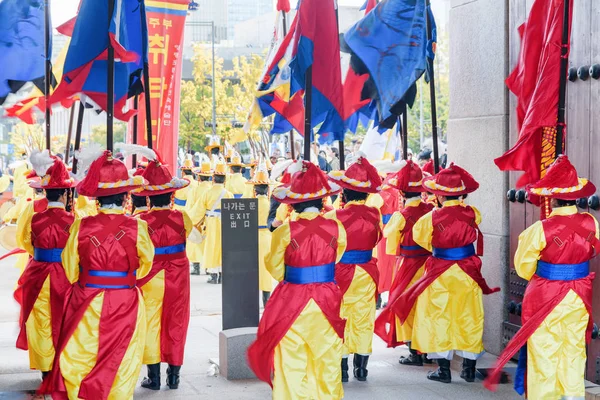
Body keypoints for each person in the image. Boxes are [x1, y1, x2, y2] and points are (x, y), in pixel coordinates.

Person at [40, 149, 154, 399]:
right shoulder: (139, 226)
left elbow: (70, 266)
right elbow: (146, 264)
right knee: (123, 360)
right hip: (126, 301)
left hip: (86, 300)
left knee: (81, 354)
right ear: (126, 196)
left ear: (96, 200)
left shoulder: (80, 225)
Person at [485, 155, 598, 399]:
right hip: (579, 295)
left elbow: (523, 267)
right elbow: (594, 249)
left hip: (546, 295)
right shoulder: (591, 222)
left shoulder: (540, 229)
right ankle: (572, 395)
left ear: (552, 197)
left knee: (544, 350)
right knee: (574, 348)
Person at [247, 161, 346, 399]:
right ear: (323, 200)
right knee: (326, 355)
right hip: (327, 296)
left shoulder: (284, 231)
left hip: (292, 298)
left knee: (291, 357)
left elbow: (274, 265)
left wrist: (294, 277)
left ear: (293, 202)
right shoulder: (336, 227)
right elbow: (337, 256)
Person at [393, 163, 499, 384]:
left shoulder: (429, 218)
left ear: (440, 197)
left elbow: (422, 239)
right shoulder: (473, 213)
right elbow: (475, 225)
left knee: (439, 315)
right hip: (467, 270)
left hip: (440, 271)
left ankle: (443, 370)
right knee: (469, 315)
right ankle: (469, 368)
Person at [14, 152, 75, 376]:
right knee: (65, 317)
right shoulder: (74, 217)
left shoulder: (32, 209)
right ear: (66, 193)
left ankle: (45, 369)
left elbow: (22, 239)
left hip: (38, 270)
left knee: (40, 320)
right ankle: (61, 365)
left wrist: (40, 254)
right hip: (66, 274)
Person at [134, 153, 192, 391]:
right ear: (172, 195)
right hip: (178, 276)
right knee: (177, 321)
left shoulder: (140, 221)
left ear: (148, 198)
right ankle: (174, 377)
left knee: (151, 323)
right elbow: (187, 235)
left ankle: (154, 377)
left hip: (151, 277)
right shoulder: (182, 216)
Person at [327, 157, 382, 382]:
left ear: (344, 194)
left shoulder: (333, 216)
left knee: (340, 317)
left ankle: (342, 369)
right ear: (367, 194)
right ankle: (362, 369)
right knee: (364, 318)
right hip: (367, 271)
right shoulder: (375, 214)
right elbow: (378, 238)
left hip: (341, 271)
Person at [374, 160, 434, 364]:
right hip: (431, 264)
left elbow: (388, 238)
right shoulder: (431, 210)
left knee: (404, 304)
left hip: (409, 263)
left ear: (402, 194)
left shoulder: (402, 215)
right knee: (426, 306)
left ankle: (414, 352)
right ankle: (427, 348)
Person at [194, 162, 233, 284]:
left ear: (213, 178)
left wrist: (194, 223)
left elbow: (198, 210)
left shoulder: (207, 193)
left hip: (211, 222)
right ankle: (222, 272)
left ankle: (213, 274)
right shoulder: (228, 194)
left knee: (211, 246)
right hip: (225, 223)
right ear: (224, 179)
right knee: (224, 246)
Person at [247, 161, 274, 306]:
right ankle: (266, 298)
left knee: (252, 268)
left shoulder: (251, 203)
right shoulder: (270, 204)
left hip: (252, 237)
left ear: (255, 189)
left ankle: (251, 299)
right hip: (267, 237)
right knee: (265, 269)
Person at [188, 161, 213, 275]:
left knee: (195, 243)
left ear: (199, 177)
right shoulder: (212, 190)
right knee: (209, 243)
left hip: (197, 219)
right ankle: (209, 267)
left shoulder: (195, 190)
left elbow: (190, 206)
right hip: (210, 220)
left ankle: (196, 266)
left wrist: (191, 220)